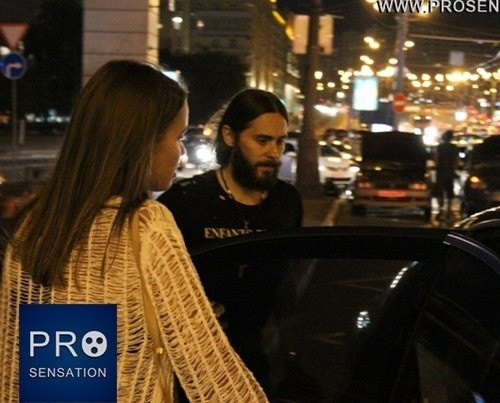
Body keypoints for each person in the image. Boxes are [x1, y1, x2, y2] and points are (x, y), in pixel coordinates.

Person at [0, 60, 267, 402]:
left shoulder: (34, 228)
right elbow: (210, 371)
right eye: (178, 136)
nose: (181, 151)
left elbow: (31, 375)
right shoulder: (145, 226)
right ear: (143, 142)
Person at [158, 88, 303, 393]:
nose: (273, 153)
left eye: (280, 141)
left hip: (259, 363)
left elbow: (288, 284)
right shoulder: (186, 201)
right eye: (262, 140)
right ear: (230, 136)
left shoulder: (287, 201)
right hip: (194, 368)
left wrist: (292, 353)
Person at [434, 129, 458, 221]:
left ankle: (440, 210)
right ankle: (449, 210)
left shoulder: (440, 147)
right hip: (450, 173)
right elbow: (456, 160)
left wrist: (437, 167)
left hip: (440, 172)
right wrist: (454, 170)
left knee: (439, 191)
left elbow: (436, 159)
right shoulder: (454, 147)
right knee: (449, 192)